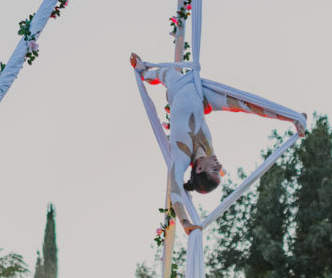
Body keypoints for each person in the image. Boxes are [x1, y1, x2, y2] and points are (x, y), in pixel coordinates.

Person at [131, 53, 306, 235]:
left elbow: (175, 189)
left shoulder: (182, 154)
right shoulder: (209, 152)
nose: (217, 164)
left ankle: (142, 71)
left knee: (164, 73)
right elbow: (215, 165)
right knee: (245, 105)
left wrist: (185, 222)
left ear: (199, 169)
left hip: (177, 89)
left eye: (214, 170)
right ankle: (293, 118)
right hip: (201, 96)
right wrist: (219, 170)